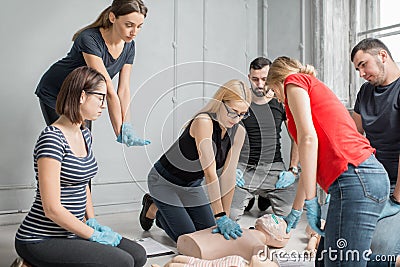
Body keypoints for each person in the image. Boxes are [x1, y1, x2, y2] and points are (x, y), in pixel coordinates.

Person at [14, 67, 147, 267]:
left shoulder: (85, 134)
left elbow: (82, 181)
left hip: (73, 231)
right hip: (41, 238)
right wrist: (92, 235)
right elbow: (51, 209)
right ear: (82, 96)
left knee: (138, 255)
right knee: (123, 262)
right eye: (100, 98)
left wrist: (92, 220)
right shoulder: (52, 139)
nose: (104, 105)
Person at [266, 56, 390, 266]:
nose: (277, 99)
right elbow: (309, 164)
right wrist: (297, 210)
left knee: (342, 261)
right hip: (362, 177)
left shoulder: (294, 81)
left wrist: (312, 201)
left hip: (357, 178)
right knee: (326, 260)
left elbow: (308, 138)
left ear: (279, 80)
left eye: (273, 91)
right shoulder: (314, 91)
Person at [139, 80, 252, 242]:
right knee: (190, 237)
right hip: (163, 182)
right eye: (233, 112)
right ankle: (153, 207)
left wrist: (226, 218)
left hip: (191, 186)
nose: (236, 119)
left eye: (243, 114)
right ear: (220, 103)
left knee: (209, 232)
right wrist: (219, 216)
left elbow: (228, 176)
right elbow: (210, 173)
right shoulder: (203, 122)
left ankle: (171, 211)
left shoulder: (239, 132)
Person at [35, 0, 150, 147]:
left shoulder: (129, 46)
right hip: (56, 92)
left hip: (83, 96)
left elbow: (124, 89)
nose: (134, 32)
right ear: (113, 18)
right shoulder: (89, 38)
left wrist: (127, 126)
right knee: (68, 144)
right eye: (129, 25)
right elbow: (109, 90)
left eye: (139, 26)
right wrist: (119, 132)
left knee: (84, 144)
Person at [230, 57, 299, 221]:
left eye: (264, 79)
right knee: (231, 215)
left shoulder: (280, 101)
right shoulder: (240, 100)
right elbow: (226, 135)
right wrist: (230, 168)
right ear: (249, 77)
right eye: (255, 79)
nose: (260, 84)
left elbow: (297, 137)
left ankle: (265, 196)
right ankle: (251, 195)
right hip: (245, 167)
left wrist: (293, 169)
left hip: (273, 167)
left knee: (288, 215)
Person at [351, 38, 400, 259]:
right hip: (373, 181)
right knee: (341, 243)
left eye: (363, 64)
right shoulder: (365, 92)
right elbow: (353, 136)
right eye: (357, 68)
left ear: (382, 56)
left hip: (397, 187)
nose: (361, 73)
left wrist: (396, 200)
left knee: (381, 252)